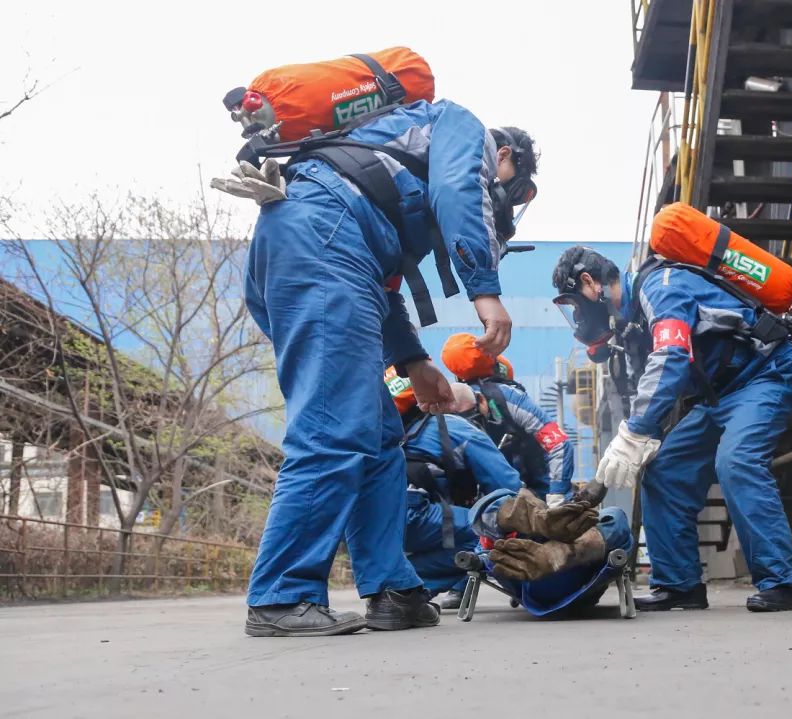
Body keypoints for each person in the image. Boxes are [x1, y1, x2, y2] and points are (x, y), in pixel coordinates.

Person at [215, 97, 539, 636]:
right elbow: (460, 192)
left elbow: (381, 287)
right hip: (322, 245)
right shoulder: (463, 128)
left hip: (323, 249)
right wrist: (485, 290)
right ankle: (281, 595)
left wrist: (413, 362)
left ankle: (393, 590)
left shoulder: (382, 180)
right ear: (503, 154)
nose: (500, 196)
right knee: (333, 427)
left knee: (379, 437)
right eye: (509, 184)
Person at [550, 229, 792, 613]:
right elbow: (654, 391)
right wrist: (637, 442)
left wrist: (635, 432)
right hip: (718, 396)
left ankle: (784, 582)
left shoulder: (661, 286)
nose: (577, 316)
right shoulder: (635, 322)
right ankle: (679, 585)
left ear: (589, 284)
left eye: (574, 304)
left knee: (736, 461)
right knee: (665, 471)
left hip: (764, 375)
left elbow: (671, 357)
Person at [382, 368, 520, 609]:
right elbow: (506, 484)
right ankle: (408, 587)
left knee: (461, 531)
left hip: (375, 521)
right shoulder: (452, 427)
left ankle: (393, 585)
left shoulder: (386, 437)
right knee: (488, 529)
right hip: (414, 512)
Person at [440, 333, 574, 505]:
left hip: (541, 494)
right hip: (496, 506)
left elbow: (558, 444)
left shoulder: (508, 399)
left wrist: (556, 497)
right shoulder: (454, 412)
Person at [469, 485, 633, 617]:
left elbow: (480, 528)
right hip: (551, 577)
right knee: (615, 516)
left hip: (563, 580)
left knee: (613, 517)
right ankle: (544, 531)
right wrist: (538, 519)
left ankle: (556, 552)